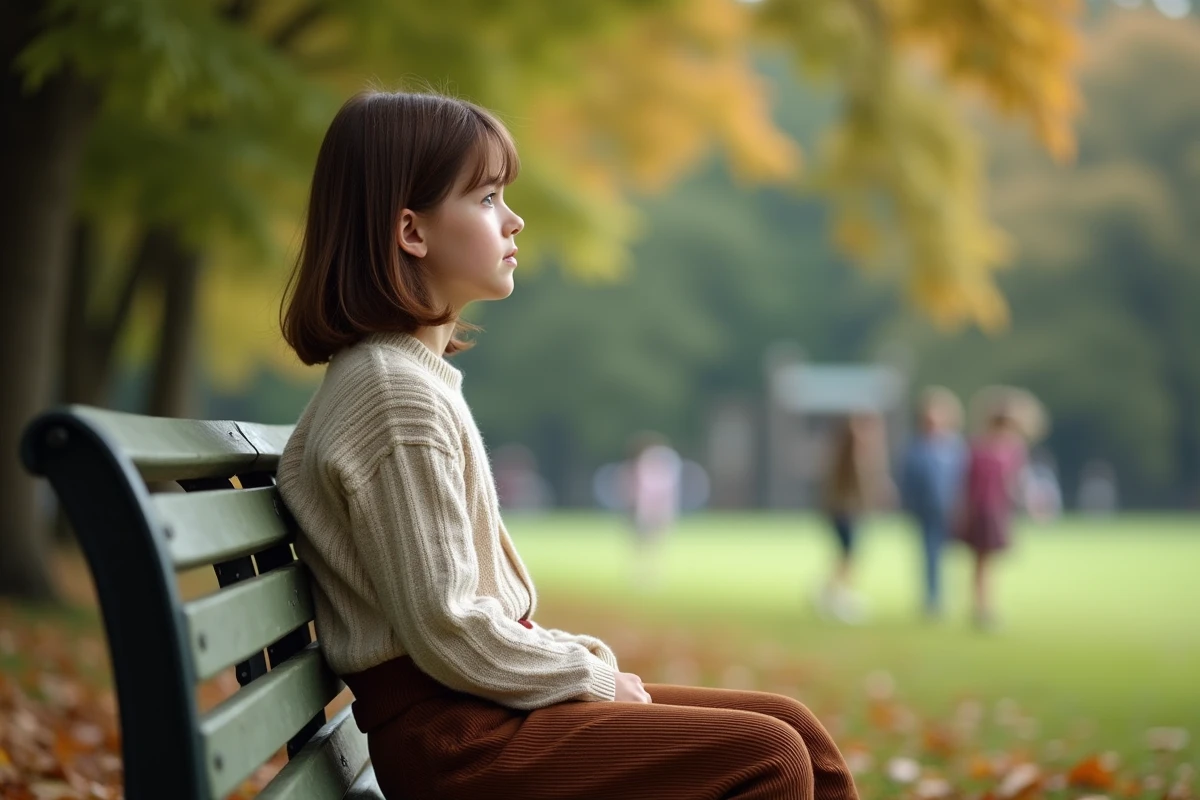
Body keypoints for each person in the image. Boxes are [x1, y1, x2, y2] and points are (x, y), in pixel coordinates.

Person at [276, 91, 858, 800]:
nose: (513, 219)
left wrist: (581, 661)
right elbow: (447, 627)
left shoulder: (405, 379)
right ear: (411, 231)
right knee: (769, 756)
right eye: (487, 198)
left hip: (477, 709)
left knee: (797, 730)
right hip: (458, 744)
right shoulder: (393, 396)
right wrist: (592, 678)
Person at [957, 406, 1028, 630]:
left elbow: (1014, 484)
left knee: (990, 563)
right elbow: (967, 482)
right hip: (979, 510)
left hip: (998, 511)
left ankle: (986, 607)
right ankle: (981, 608)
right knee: (980, 562)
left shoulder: (1014, 449)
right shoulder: (977, 448)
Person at [817, 412, 891, 624]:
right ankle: (837, 595)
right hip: (847, 511)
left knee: (847, 555)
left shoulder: (842, 451)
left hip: (844, 510)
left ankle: (833, 592)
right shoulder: (854, 453)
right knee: (849, 555)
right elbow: (861, 485)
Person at [899, 387, 966, 619]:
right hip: (926, 511)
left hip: (952, 509)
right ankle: (933, 599)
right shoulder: (916, 447)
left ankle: (952, 597)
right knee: (930, 555)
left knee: (953, 556)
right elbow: (908, 480)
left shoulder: (954, 446)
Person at [621, 432, 684, 589]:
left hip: (651, 509)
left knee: (648, 543)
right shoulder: (664, 462)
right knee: (647, 543)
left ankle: (647, 574)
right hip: (654, 509)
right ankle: (646, 573)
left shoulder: (653, 462)